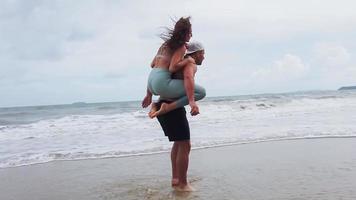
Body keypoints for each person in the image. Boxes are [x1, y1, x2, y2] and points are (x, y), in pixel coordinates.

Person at [156, 41, 206, 192]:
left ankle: (176, 178)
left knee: (179, 143)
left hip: (161, 104)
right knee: (185, 144)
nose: (204, 57)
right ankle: (183, 184)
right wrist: (192, 102)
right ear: (196, 53)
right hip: (170, 108)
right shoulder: (190, 64)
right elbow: (188, 79)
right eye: (203, 53)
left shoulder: (180, 62)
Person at [141, 17, 206, 118]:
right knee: (201, 92)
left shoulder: (165, 44)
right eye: (190, 33)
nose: (191, 35)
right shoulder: (181, 47)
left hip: (151, 81)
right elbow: (172, 68)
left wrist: (149, 95)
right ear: (184, 33)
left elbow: (153, 64)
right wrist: (187, 60)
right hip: (161, 82)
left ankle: (157, 105)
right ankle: (168, 107)